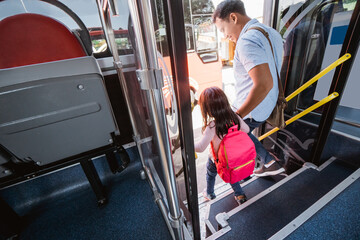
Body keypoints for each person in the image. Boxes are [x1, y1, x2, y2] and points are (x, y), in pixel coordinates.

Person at [212, 0, 285, 176]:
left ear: (233, 18)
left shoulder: (246, 41)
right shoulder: (271, 33)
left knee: (228, 131)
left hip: (253, 107)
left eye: (223, 29)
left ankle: (258, 165)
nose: (224, 36)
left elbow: (263, 84)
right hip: (268, 102)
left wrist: (237, 116)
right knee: (242, 132)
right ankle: (265, 161)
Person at [195, 87, 250, 205]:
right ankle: (239, 195)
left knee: (211, 175)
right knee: (232, 172)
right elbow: (247, 129)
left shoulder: (212, 126)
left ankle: (210, 193)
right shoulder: (235, 117)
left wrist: (188, 144)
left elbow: (200, 147)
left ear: (207, 109)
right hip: (235, 157)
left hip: (217, 159)